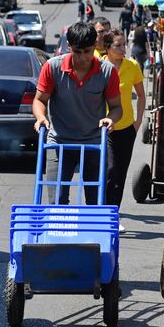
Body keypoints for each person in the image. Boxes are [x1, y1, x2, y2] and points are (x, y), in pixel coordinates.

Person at [33, 22, 122, 205]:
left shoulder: (107, 71)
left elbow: (116, 107)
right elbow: (40, 100)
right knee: (56, 199)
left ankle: (91, 233)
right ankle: (58, 231)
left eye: (87, 51)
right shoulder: (52, 67)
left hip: (93, 143)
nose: (82, 57)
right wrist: (41, 118)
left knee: (95, 200)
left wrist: (110, 119)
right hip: (59, 141)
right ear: (69, 47)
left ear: (95, 47)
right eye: (77, 52)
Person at [103, 29, 146, 210]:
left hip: (127, 127)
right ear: (107, 48)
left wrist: (138, 122)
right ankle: (102, 210)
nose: (123, 48)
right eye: (117, 45)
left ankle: (113, 214)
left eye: (124, 45)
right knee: (108, 171)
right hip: (105, 128)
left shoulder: (132, 66)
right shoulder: (100, 66)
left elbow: (142, 96)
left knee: (120, 174)